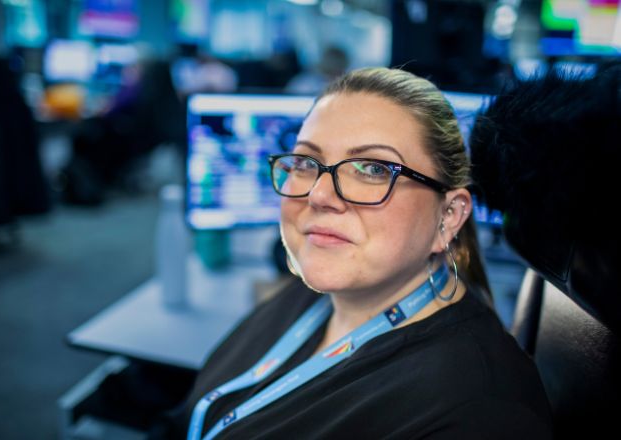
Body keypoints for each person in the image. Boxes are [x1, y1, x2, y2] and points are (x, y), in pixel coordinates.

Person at [150, 67, 552, 439]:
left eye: (374, 169)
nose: (319, 194)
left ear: (448, 216)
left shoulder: (481, 412)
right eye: (306, 162)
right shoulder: (309, 295)